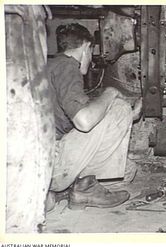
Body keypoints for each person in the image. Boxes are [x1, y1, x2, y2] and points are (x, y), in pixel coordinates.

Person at [45, 23, 142, 211]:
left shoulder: (51, 65)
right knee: (119, 107)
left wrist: (132, 115)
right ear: (86, 47)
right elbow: (84, 122)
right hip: (53, 164)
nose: (91, 59)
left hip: (43, 157)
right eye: (91, 52)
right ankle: (84, 188)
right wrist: (111, 93)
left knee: (127, 170)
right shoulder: (67, 67)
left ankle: (63, 190)